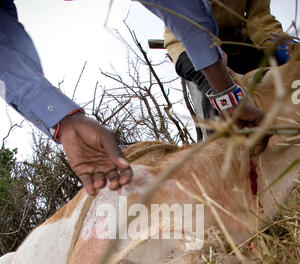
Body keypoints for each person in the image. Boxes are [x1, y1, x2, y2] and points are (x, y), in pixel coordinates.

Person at [0, 0, 271, 199]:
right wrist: (62, 120)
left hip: (232, 44)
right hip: (187, 47)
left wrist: (227, 93)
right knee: (204, 85)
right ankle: (222, 181)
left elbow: (184, 7)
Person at [163, 0, 292, 125]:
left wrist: (285, 47)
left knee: (288, 69)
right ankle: (219, 143)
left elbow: (260, 19)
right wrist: (223, 91)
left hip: (236, 42)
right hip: (188, 43)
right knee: (213, 87)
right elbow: (190, 28)